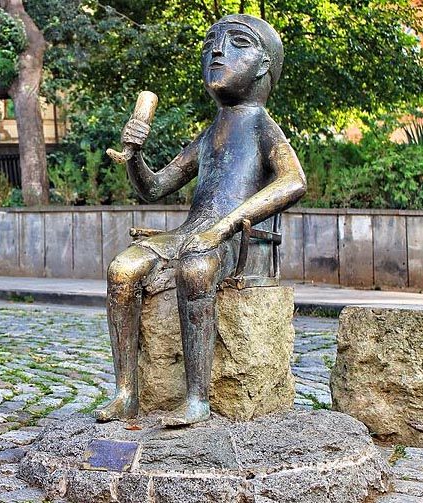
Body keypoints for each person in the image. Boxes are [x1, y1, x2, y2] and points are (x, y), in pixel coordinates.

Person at [96, 14, 307, 426]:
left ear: (265, 64)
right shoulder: (211, 133)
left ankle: (198, 398)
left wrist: (226, 225)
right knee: (121, 271)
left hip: (233, 239)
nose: (216, 50)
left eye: (237, 42)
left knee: (196, 270)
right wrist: (134, 157)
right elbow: (154, 188)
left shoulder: (262, 125)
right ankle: (126, 393)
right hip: (192, 232)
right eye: (211, 41)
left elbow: (294, 181)